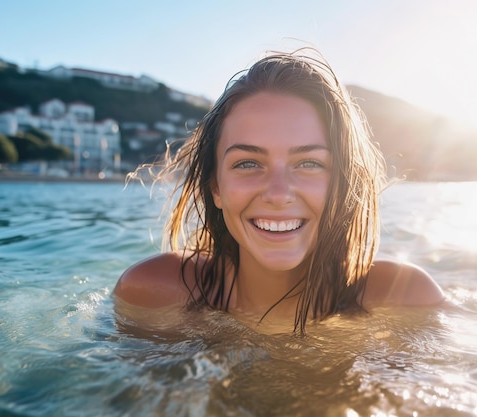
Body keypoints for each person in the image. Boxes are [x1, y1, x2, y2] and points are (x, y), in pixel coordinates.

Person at [114, 49, 443, 335]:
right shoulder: (154, 291)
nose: (278, 193)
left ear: (342, 184)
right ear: (215, 187)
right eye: (247, 164)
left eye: (309, 163)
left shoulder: (404, 297)